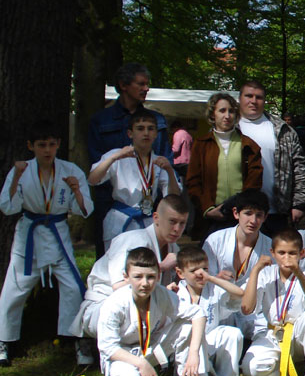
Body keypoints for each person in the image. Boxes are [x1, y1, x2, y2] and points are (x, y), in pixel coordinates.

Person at [0, 120, 93, 366]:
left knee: (73, 288)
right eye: (41, 145)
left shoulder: (70, 170)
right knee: (14, 288)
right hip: (29, 235)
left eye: (52, 144)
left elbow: (85, 210)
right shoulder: (21, 170)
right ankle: (3, 340)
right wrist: (16, 177)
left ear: (59, 144)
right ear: (31, 146)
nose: (47, 150)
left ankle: (78, 339)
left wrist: (76, 191)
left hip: (57, 234)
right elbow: (7, 207)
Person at [98, 247, 214, 376]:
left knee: (187, 326)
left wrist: (193, 353)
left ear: (159, 276)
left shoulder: (161, 294)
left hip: (150, 346)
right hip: (123, 355)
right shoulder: (114, 304)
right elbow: (107, 347)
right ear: (126, 276)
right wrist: (141, 364)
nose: (145, 283)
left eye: (151, 277)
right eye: (138, 277)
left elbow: (198, 313)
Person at [71, 195, 190, 359]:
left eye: (182, 223)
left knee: (186, 316)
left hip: (142, 309)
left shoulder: (173, 249)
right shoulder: (133, 240)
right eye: (172, 221)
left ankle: (152, 359)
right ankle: (116, 352)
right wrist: (161, 268)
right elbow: (120, 287)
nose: (177, 229)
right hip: (105, 308)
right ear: (156, 218)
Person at [88, 63, 172, 257]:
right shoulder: (101, 120)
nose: (146, 88)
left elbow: (164, 159)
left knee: (149, 259)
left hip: (149, 202)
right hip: (110, 200)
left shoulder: (157, 120)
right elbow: (95, 163)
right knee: (111, 258)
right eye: (141, 84)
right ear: (123, 85)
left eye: (147, 84)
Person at [240, 229, 305, 376]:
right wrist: (255, 270)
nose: (287, 258)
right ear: (272, 253)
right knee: (251, 368)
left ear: (301, 253)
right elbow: (247, 308)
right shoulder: (265, 274)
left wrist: (298, 273)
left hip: (299, 335)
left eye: (292, 253)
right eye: (281, 253)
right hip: (274, 333)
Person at [88, 109, 180, 251]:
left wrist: (169, 171)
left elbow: (173, 197)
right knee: (118, 262)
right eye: (140, 128)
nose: (146, 133)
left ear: (156, 134)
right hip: (120, 219)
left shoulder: (160, 162)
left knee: (147, 261)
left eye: (151, 129)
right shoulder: (117, 155)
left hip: (148, 220)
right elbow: (93, 179)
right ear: (130, 133)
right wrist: (114, 158)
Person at [171, 246, 245, 376]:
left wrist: (212, 278)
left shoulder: (212, 288)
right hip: (187, 348)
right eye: (193, 271)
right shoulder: (176, 292)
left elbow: (239, 293)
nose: (200, 274)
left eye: (204, 269)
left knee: (232, 333)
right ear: (180, 273)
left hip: (210, 338)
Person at [237, 81, 305, 235]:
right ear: (240, 98)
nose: (253, 101)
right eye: (248, 96)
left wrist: (299, 203)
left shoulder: (283, 130)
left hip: (277, 212)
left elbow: (300, 167)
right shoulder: (230, 128)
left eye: (258, 97)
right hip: (239, 212)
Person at [185, 92, 263, 236]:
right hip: (210, 218)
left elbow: (255, 180)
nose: (227, 116)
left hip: (241, 216)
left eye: (231, 111)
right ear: (212, 114)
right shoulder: (201, 144)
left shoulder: (249, 145)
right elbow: (193, 181)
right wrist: (207, 209)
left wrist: (242, 206)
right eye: (222, 110)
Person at [202, 190, 273, 289]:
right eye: (248, 213)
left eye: (259, 215)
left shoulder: (270, 247)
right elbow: (202, 276)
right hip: (217, 296)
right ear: (236, 213)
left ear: (265, 217)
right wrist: (215, 279)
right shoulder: (215, 240)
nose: (253, 221)